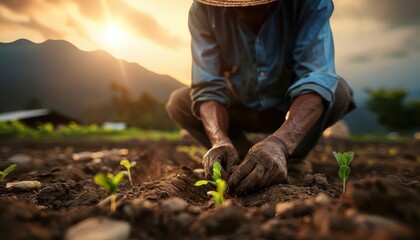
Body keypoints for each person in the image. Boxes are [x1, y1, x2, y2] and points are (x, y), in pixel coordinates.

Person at [166, 0, 355, 195]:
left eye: (252, 5)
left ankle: (291, 158)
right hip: (240, 106)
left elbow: (317, 79)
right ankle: (239, 158)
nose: (243, 11)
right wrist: (219, 140)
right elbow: (207, 87)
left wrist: (279, 144)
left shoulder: (310, 4)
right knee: (180, 102)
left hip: (290, 107)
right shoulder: (204, 11)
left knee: (337, 92)